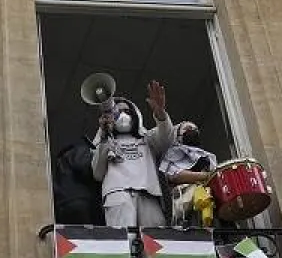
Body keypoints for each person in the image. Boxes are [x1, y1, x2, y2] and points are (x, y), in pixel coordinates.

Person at [92, 79, 176, 229]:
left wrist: (160, 114)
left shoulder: (147, 139)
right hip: (117, 193)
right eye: (117, 112)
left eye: (127, 111)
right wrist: (105, 137)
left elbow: (166, 139)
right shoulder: (103, 142)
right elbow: (97, 174)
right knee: (124, 241)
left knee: (154, 239)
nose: (123, 115)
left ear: (136, 115)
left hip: (148, 194)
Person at [159, 122, 218, 227]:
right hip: (186, 202)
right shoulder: (172, 153)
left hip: (210, 199)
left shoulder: (208, 156)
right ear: (177, 135)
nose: (191, 129)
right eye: (187, 128)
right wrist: (205, 176)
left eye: (194, 128)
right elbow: (175, 176)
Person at [53, 132, 105, 226]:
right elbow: (85, 168)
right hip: (81, 202)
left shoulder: (60, 163)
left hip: (64, 205)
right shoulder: (79, 150)